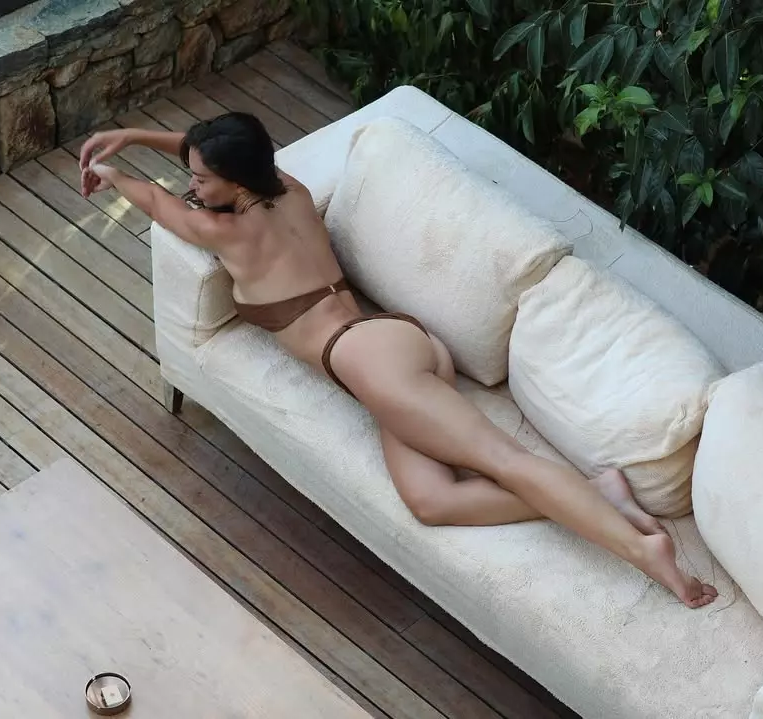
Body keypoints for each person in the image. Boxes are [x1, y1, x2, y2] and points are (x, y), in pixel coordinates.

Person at [78, 112, 718, 609]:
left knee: (507, 461)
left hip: (372, 363)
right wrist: (134, 135)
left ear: (235, 181)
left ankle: (646, 553)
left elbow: (152, 200)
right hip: (399, 346)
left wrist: (112, 170)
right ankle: (599, 494)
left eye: (199, 179)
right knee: (432, 502)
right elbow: (220, 159)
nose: (191, 187)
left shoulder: (226, 231)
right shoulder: (290, 190)